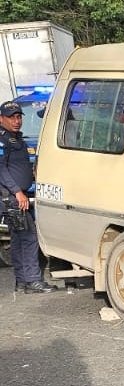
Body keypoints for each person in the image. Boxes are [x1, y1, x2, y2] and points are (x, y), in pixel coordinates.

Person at [0, 100, 56, 294]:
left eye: (18, 117)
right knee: (29, 237)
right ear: (1, 119)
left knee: (18, 239)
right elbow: (1, 170)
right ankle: (33, 281)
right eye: (11, 117)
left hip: (20, 195)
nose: (16, 121)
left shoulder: (17, 139)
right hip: (14, 197)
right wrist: (17, 191)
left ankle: (22, 281)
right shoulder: (2, 140)